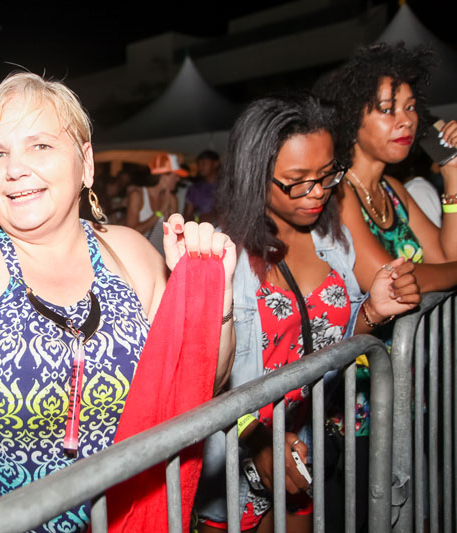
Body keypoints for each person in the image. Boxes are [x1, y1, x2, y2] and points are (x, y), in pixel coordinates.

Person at [0, 72, 236, 531]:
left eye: (40, 145)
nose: (14, 168)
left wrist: (212, 302)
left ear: (86, 164)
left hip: (129, 519)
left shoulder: (133, 254)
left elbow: (202, 382)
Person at [193, 93, 419, 532]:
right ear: (255, 177)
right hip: (237, 461)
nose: (317, 193)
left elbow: (332, 343)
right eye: (297, 181)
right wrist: (258, 438)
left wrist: (373, 312)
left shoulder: (332, 241)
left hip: (303, 447)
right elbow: (203, 379)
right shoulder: (221, 258)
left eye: (326, 174)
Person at [316, 42, 457, 293]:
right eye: (387, 109)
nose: (406, 121)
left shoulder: (393, 190)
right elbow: (390, 281)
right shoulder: (338, 193)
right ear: (351, 119)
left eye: (410, 107)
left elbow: (447, 258)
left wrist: (453, 172)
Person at [125, 152, 186, 254]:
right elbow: (131, 231)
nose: (178, 179)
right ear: (164, 176)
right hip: (136, 252)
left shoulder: (172, 199)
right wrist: (160, 212)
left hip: (158, 254)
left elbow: (174, 235)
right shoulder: (138, 195)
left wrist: (167, 213)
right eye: (175, 175)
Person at [184, 150, 220, 223]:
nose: (200, 167)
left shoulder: (226, 188)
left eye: (204, 163)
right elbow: (187, 216)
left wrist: (213, 215)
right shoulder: (194, 189)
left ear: (215, 164)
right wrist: (197, 219)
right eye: (198, 164)